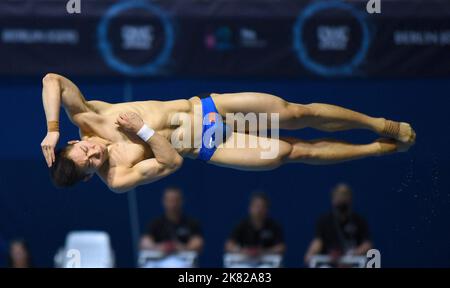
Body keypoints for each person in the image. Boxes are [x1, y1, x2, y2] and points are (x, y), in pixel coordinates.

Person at [40, 73, 416, 192]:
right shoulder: (117, 177)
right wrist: (143, 129)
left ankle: (378, 124)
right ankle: (375, 149)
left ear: (76, 140)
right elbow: (171, 163)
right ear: (91, 177)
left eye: (85, 150)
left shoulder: (91, 118)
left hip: (206, 108)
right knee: (294, 152)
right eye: (91, 164)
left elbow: (52, 79)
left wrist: (52, 130)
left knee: (296, 112)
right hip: (208, 144)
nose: (94, 154)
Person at [304, 183, 373, 266]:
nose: (341, 198)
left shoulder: (359, 221)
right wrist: (310, 254)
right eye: (339, 195)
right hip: (330, 263)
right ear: (333, 199)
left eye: (344, 195)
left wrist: (351, 255)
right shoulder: (324, 220)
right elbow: (318, 242)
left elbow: (367, 244)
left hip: (352, 262)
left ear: (350, 198)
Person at [140, 186, 203, 255]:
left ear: (181, 201)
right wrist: (161, 247)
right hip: (160, 261)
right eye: (170, 201)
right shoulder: (156, 223)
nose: (173, 204)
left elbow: (198, 243)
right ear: (164, 201)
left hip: (184, 261)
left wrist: (180, 248)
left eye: (175, 200)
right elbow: (144, 242)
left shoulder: (191, 222)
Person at [225, 192, 285, 256]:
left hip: (266, 260)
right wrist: (242, 250)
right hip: (245, 260)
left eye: (262, 207)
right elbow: (228, 245)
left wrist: (263, 251)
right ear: (250, 208)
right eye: (256, 206)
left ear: (267, 209)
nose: (259, 210)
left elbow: (281, 247)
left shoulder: (274, 226)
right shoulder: (242, 225)